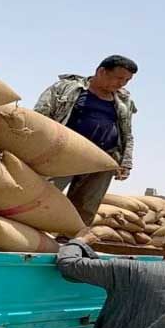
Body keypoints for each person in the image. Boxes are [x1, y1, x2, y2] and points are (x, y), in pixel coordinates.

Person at [34, 55, 138, 226]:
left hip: (103, 159)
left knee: (86, 206)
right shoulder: (67, 88)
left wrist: (125, 161)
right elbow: (40, 115)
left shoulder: (123, 101)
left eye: (127, 80)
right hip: (65, 152)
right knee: (46, 197)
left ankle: (71, 241)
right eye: (119, 78)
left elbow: (127, 132)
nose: (122, 84)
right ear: (101, 71)